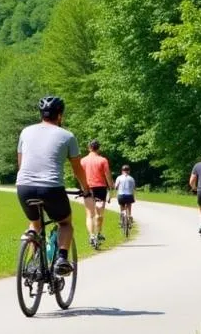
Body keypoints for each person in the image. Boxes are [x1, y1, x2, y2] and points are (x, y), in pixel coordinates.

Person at [16, 95, 94, 276]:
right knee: (65, 223)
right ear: (60, 115)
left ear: (41, 114)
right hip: (51, 188)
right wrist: (86, 190)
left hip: (24, 186)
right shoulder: (67, 136)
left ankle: (33, 263)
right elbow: (77, 169)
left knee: (35, 224)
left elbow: (21, 163)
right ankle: (61, 259)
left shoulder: (25, 132)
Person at [80, 140, 113, 248]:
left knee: (89, 214)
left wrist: (82, 186)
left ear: (89, 148)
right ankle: (98, 233)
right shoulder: (103, 160)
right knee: (99, 214)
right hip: (100, 188)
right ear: (98, 148)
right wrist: (111, 186)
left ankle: (92, 235)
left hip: (88, 188)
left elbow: (80, 175)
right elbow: (107, 175)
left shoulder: (83, 160)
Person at [113, 163, 136, 230]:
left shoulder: (119, 178)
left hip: (121, 195)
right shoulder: (131, 178)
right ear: (129, 171)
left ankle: (121, 221)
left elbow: (116, 187)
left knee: (122, 208)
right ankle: (129, 217)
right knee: (129, 206)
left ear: (122, 171)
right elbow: (134, 188)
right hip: (129, 195)